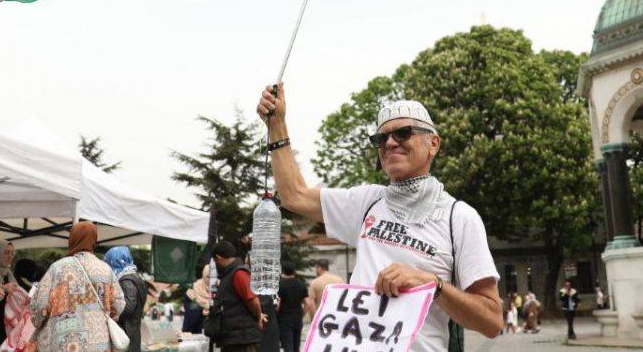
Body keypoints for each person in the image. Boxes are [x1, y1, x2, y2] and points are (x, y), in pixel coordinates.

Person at [258, 88, 502, 352]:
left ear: (434, 143)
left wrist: (433, 284)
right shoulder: (368, 201)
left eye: (403, 133)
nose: (390, 143)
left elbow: (491, 321)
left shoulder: (460, 217)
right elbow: (294, 195)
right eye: (381, 137)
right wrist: (277, 125)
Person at [30, 221, 126, 352]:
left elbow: (40, 307)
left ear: (72, 239)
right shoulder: (105, 269)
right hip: (99, 343)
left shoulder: (57, 268)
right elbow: (118, 304)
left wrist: (39, 321)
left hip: (64, 342)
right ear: (94, 240)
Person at [208, 240, 266, 352]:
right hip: (233, 338)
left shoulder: (239, 274)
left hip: (242, 341)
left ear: (218, 258)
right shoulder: (228, 274)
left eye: (215, 261)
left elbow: (252, 300)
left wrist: (259, 317)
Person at [104, 246, 146, 352]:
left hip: (126, 333)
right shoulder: (136, 277)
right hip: (132, 333)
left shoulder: (126, 280)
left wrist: (111, 314)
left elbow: (128, 306)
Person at [277, 260, 308, 352]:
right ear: (294, 271)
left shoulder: (280, 285)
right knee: (296, 345)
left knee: (287, 344)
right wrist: (302, 313)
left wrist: (276, 314)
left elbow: (278, 304)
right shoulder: (301, 284)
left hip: (285, 319)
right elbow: (307, 303)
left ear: (283, 271)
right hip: (297, 317)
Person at [182, 264, 210, 334]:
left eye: (213, 277)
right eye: (208, 277)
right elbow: (192, 313)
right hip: (197, 334)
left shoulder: (221, 287)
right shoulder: (194, 290)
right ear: (203, 275)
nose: (210, 280)